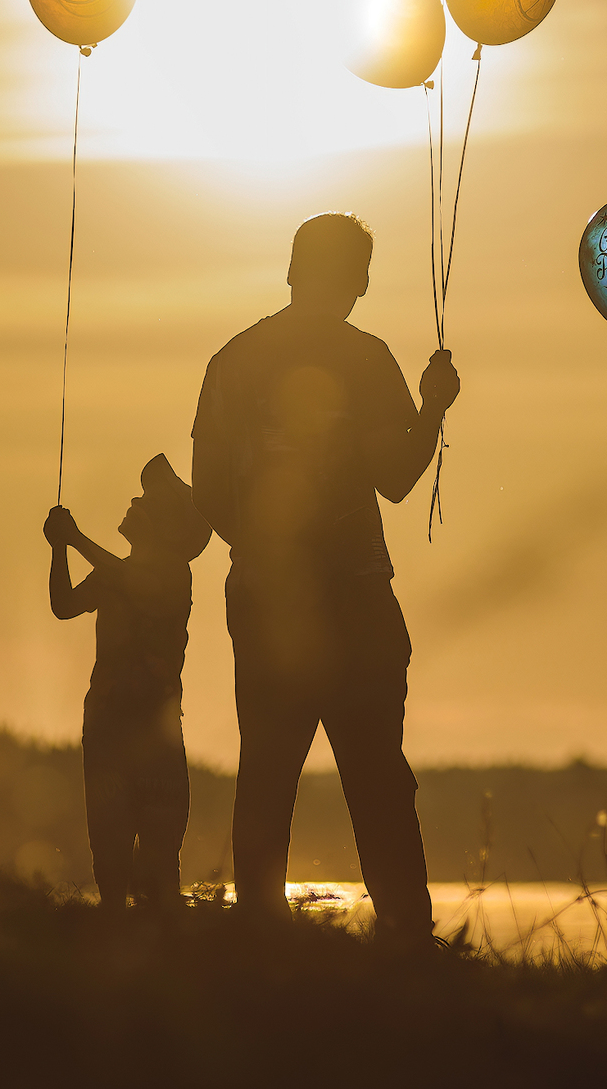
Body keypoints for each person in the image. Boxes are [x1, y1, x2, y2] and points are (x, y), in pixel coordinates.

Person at [191, 212, 458, 948]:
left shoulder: (233, 359)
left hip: (265, 598)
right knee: (377, 778)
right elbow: (398, 479)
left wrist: (267, 556)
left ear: (289, 267)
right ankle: (408, 939)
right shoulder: (365, 359)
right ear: (362, 280)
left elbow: (207, 489)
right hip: (357, 597)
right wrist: (432, 410)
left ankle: (259, 935)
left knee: (268, 773)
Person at [44, 455, 213, 912]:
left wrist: (73, 538)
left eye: (147, 501)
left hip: (152, 731)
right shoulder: (116, 573)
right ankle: (118, 924)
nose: (135, 501)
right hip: (108, 724)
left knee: (159, 848)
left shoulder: (172, 575)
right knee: (109, 840)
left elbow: (136, 583)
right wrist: (59, 549)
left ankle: (155, 935)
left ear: (164, 526)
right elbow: (63, 605)